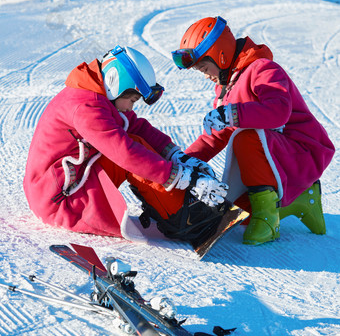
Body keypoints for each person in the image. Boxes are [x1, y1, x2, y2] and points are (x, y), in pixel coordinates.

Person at [24, 45, 228, 243]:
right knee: (129, 151)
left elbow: (136, 127)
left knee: (136, 140)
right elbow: (124, 152)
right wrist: (179, 176)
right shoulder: (85, 107)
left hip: (57, 191)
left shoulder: (95, 96)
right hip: (60, 201)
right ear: (114, 83)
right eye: (131, 99)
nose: (131, 107)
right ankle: (182, 218)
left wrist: (176, 156)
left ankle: (176, 203)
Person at [171, 16, 335, 245]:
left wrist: (232, 115)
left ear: (220, 54)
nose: (206, 76)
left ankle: (267, 218)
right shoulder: (225, 89)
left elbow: (279, 111)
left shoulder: (264, 69)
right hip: (280, 155)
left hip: (305, 151)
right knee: (238, 211)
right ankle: (301, 198)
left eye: (205, 68)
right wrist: (181, 164)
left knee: (245, 138)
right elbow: (214, 138)